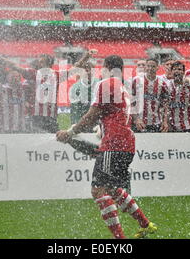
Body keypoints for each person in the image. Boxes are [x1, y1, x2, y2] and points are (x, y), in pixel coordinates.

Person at [56, 55, 157, 239]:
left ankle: (119, 239)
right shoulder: (121, 87)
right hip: (126, 143)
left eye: (102, 66)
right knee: (111, 188)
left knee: (98, 189)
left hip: (115, 143)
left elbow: (91, 115)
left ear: (109, 67)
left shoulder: (106, 84)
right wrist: (101, 127)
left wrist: (70, 132)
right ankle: (145, 224)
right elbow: (111, 115)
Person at [0, 50, 96, 133]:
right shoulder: (55, 75)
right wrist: (86, 56)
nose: (39, 63)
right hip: (45, 117)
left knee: (40, 142)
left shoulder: (34, 74)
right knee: (52, 141)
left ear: (45, 63)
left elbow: (14, 66)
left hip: (42, 117)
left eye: (41, 62)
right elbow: (76, 67)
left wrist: (0, 58)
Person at [131, 58, 169, 133]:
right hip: (139, 123)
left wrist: (165, 121)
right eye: (148, 66)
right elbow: (131, 102)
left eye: (153, 66)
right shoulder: (136, 81)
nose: (150, 68)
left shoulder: (162, 83)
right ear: (145, 67)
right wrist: (136, 119)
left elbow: (166, 104)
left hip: (156, 123)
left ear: (157, 68)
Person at [163, 61, 190, 132]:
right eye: (175, 69)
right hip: (171, 127)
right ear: (171, 71)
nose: (177, 71)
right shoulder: (167, 86)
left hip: (187, 126)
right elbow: (165, 107)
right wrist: (165, 122)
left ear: (183, 72)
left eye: (179, 69)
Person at [69, 62, 99, 132]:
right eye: (85, 70)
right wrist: (75, 124)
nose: (88, 73)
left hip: (96, 123)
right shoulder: (75, 88)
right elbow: (75, 110)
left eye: (90, 70)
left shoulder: (99, 83)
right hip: (82, 123)